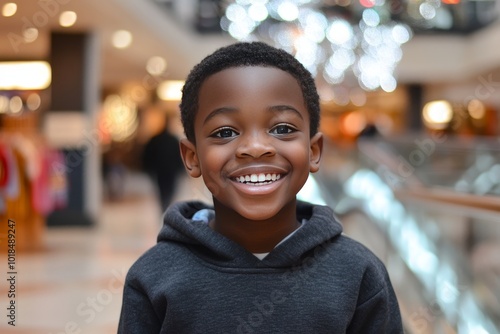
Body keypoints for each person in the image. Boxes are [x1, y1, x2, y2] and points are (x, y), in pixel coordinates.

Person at [118, 42, 403, 333]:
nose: (255, 148)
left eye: (282, 129)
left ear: (314, 151)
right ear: (193, 158)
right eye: (225, 132)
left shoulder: (360, 274)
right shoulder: (153, 276)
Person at [142, 114, 185, 211]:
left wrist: (148, 168)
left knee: (162, 190)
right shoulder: (172, 140)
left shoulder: (156, 139)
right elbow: (179, 156)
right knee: (169, 190)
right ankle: (166, 206)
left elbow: (148, 155)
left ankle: (164, 206)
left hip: (160, 171)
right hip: (170, 171)